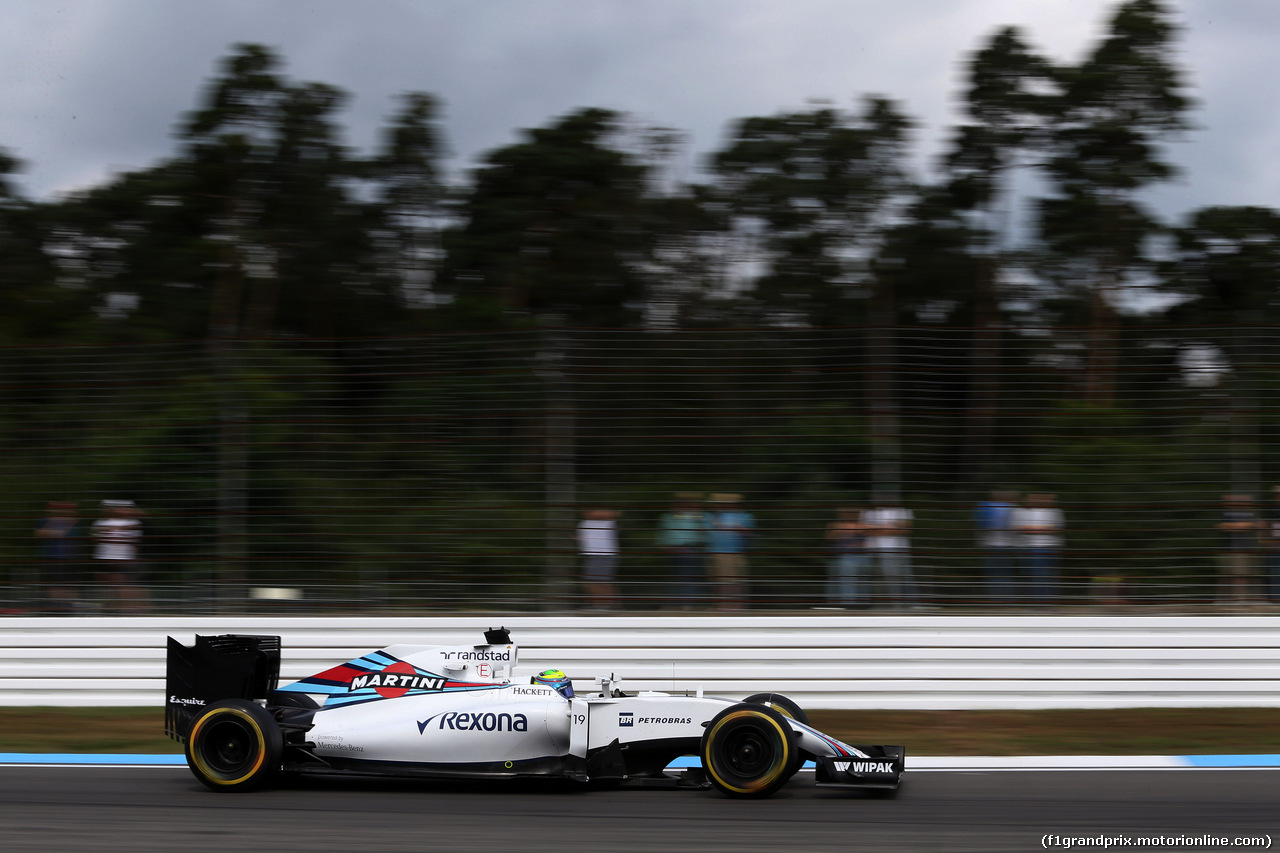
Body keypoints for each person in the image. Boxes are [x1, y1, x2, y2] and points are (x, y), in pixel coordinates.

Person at [91, 500, 147, 613]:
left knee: (121, 584)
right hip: (104, 558)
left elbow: (136, 541)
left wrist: (133, 557)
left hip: (122, 558)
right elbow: (96, 536)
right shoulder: (101, 522)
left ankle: (124, 609)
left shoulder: (132, 522)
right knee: (107, 585)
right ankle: (112, 608)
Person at [863, 495, 918, 608]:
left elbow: (907, 528)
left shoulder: (902, 511)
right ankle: (894, 604)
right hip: (879, 550)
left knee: (905, 576)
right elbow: (867, 531)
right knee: (887, 577)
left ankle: (911, 604)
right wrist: (893, 527)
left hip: (900, 549)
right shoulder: (869, 513)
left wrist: (879, 528)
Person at [656, 493, 708, 609]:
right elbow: (664, 532)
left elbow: (704, 534)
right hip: (672, 551)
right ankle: (675, 604)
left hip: (690, 551)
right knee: (676, 577)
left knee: (687, 577)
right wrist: (663, 546)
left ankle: (687, 604)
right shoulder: (668, 517)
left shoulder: (699, 516)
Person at [706, 494, 755, 611]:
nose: (718, 506)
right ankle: (723, 605)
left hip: (732, 553)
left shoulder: (744, 516)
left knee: (730, 580)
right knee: (718, 580)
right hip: (714, 552)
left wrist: (743, 531)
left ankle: (732, 606)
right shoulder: (713, 516)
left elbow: (751, 535)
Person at [1014, 493, 1064, 604]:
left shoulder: (1055, 512)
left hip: (1049, 547)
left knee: (1046, 575)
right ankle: (1034, 601)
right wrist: (1045, 528)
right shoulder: (1021, 512)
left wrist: (1030, 528)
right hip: (1027, 548)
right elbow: (1018, 528)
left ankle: (1044, 601)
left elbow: (1056, 529)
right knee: (1031, 575)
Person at [35, 501, 81, 614]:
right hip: (51, 557)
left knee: (66, 584)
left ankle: (65, 608)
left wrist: (55, 531)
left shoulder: (73, 522)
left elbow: (67, 535)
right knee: (53, 583)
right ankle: (56, 607)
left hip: (68, 558)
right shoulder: (45, 521)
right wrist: (54, 524)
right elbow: (40, 534)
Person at [975, 491, 1019, 605]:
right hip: (1007, 545)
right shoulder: (1012, 508)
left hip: (992, 544)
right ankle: (1007, 600)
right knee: (1006, 573)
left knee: (995, 574)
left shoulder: (986, 507)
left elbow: (981, 525)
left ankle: (996, 600)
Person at [1217, 493, 1259, 604]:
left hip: (1242, 549)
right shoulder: (1223, 514)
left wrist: (1237, 526)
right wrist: (1245, 526)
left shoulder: (1247, 514)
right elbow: (1222, 527)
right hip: (1226, 549)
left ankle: (1240, 599)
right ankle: (1222, 599)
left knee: (1241, 575)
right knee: (1225, 575)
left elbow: (1255, 526)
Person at [577, 507, 620, 610]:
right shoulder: (585, 523)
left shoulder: (607, 522)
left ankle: (610, 605)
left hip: (605, 554)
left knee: (602, 581)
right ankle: (598, 605)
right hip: (591, 555)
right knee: (591, 581)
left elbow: (614, 513)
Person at [825, 506, 867, 608]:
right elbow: (829, 537)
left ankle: (854, 604)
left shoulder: (862, 526)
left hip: (860, 556)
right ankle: (846, 604)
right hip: (844, 557)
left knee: (859, 582)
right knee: (843, 581)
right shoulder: (837, 525)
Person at [1262, 487, 1280, 603]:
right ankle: (1274, 598)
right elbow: (1264, 526)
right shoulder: (1270, 510)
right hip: (1274, 546)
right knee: (1274, 572)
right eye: (1277, 495)